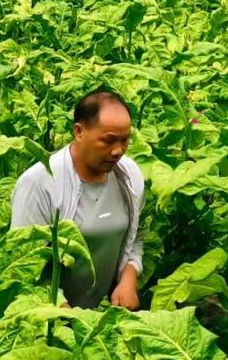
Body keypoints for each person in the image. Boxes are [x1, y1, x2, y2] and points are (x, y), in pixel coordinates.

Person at [9, 89, 145, 309]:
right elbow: (22, 264)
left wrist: (129, 279)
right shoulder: (40, 183)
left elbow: (137, 236)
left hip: (103, 316)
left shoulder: (129, 176)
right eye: (109, 140)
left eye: (125, 140)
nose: (118, 150)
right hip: (47, 322)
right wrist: (64, 316)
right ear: (79, 131)